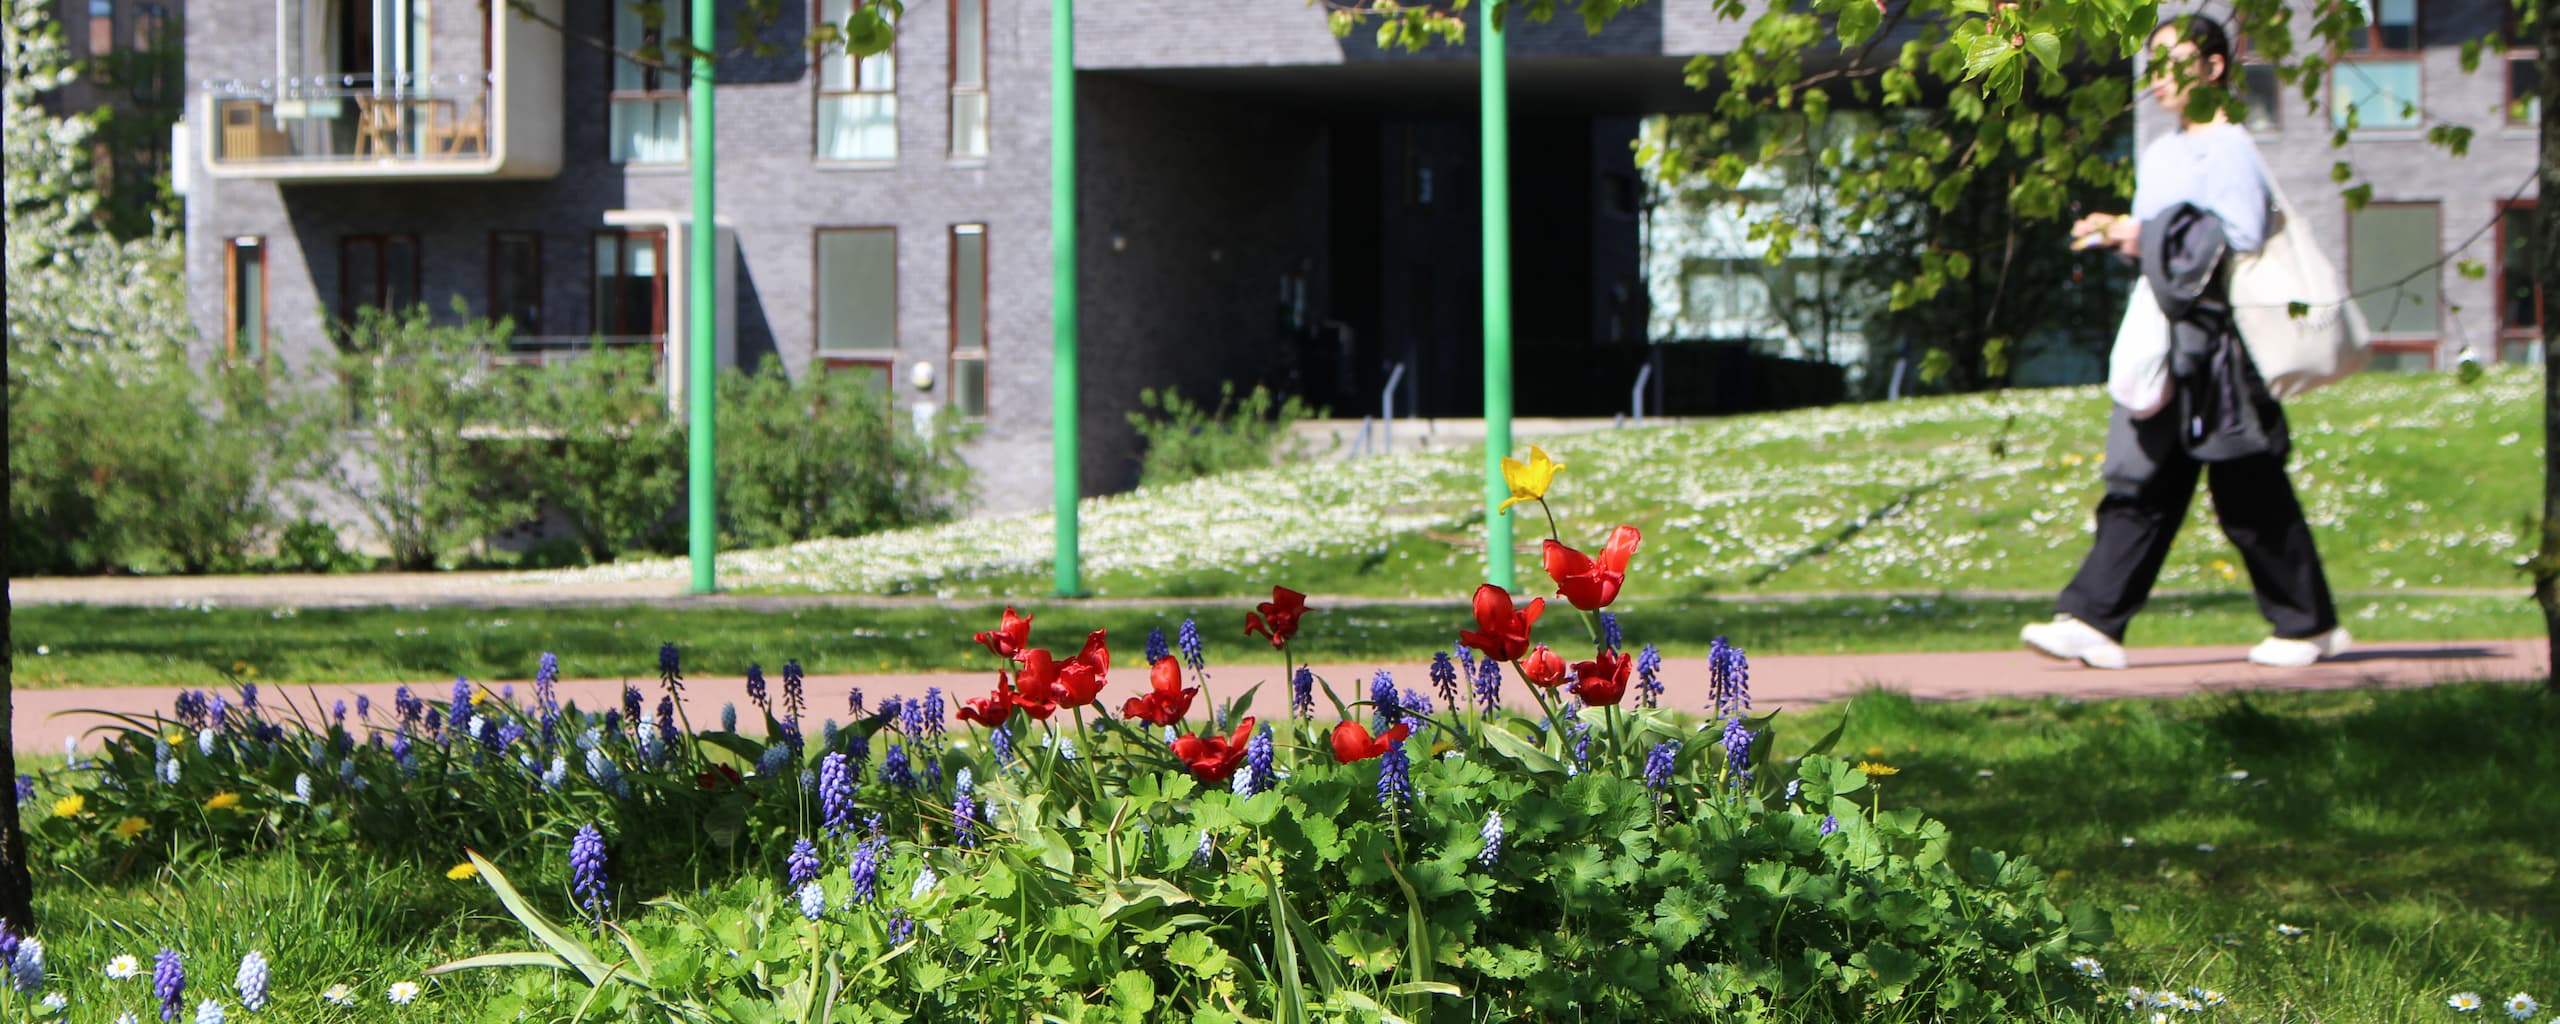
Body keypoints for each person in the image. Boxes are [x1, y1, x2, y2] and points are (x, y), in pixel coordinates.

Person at [2022, 13, 2349, 670]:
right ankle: (2093, 619)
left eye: (2174, 61)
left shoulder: (2228, 147)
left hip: (2223, 352)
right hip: (2173, 343)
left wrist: (2141, 235)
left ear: (2214, 68)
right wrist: (2120, 234)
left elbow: (2240, 239)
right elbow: (2168, 250)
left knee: (2246, 490)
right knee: (2144, 481)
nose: (2160, 78)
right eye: (2154, 64)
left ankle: (2308, 625)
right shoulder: (2164, 151)